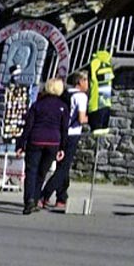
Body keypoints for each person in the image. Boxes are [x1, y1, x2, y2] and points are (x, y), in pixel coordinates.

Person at [19, 78, 69, 215]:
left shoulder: (37, 105)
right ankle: (35, 199)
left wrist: (21, 143)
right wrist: (62, 148)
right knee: (42, 173)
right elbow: (64, 129)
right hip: (53, 142)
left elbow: (28, 125)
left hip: (36, 139)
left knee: (31, 171)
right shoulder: (63, 106)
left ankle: (29, 200)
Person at [41, 71, 87, 212]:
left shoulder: (64, 94)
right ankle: (44, 194)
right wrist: (89, 120)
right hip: (72, 134)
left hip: (60, 133)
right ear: (79, 82)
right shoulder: (80, 96)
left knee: (62, 165)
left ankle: (62, 197)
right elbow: (81, 119)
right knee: (64, 168)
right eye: (86, 81)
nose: (88, 84)